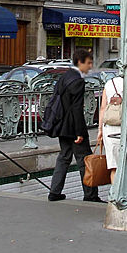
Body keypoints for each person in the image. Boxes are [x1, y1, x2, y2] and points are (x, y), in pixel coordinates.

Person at [48, 49, 101, 202]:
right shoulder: (78, 81)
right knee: (85, 160)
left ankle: (54, 191)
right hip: (73, 127)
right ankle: (90, 194)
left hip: (61, 125)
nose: (90, 66)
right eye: (88, 63)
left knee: (64, 157)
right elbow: (76, 108)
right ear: (80, 62)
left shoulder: (64, 77)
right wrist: (79, 132)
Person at [97, 66, 127, 185]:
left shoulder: (109, 84)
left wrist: (100, 130)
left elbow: (103, 108)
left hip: (110, 128)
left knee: (115, 167)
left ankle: (115, 197)